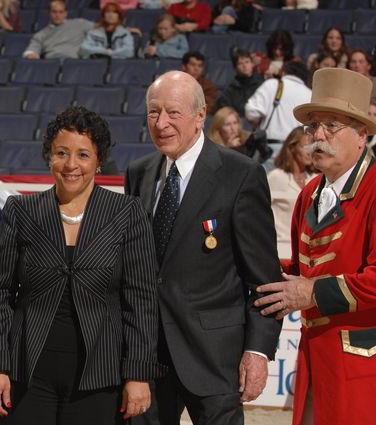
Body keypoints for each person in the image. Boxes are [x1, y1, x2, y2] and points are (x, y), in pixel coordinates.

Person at [0, 106, 161, 425]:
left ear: (99, 161)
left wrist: (138, 373)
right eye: (62, 153)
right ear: (49, 157)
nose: (71, 165)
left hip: (101, 379)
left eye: (83, 155)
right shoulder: (21, 210)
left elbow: (141, 302)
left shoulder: (127, 213)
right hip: (25, 374)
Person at [125, 71, 282, 425]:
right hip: (147, 358)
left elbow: (264, 278)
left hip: (215, 360)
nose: (161, 123)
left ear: (200, 115)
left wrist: (257, 351)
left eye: (173, 113)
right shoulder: (139, 172)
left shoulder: (240, 174)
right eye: (153, 112)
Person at [255, 67, 376, 425]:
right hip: (312, 358)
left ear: (361, 134)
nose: (317, 136)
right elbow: (302, 269)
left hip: (362, 365)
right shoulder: (310, 192)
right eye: (312, 127)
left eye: (331, 126)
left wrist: (312, 293)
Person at [266, 126, 315, 259]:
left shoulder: (316, 180)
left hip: (308, 254)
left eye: (313, 147)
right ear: (292, 147)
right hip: (280, 251)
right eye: (306, 147)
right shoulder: (275, 177)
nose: (310, 152)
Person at [245, 60, 311, 143]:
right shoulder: (310, 94)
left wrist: (259, 123)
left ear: (283, 72)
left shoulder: (272, 84)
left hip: (271, 147)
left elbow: (251, 113)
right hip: (299, 149)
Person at [23, 0, 94, 60]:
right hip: (52, 64)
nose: (57, 15)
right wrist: (31, 54)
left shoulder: (79, 24)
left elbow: (101, 29)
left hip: (73, 63)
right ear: (49, 13)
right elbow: (31, 50)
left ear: (65, 13)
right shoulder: (41, 35)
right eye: (54, 12)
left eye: (61, 12)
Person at [216, 48, 265, 117]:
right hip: (238, 125)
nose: (244, 66)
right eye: (240, 63)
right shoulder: (229, 90)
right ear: (235, 68)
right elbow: (225, 113)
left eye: (247, 62)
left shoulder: (263, 85)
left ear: (252, 64)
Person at [181, 51, 217, 116]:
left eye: (200, 66)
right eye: (193, 65)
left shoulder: (209, 86)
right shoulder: (174, 83)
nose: (196, 69)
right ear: (184, 66)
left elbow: (207, 108)